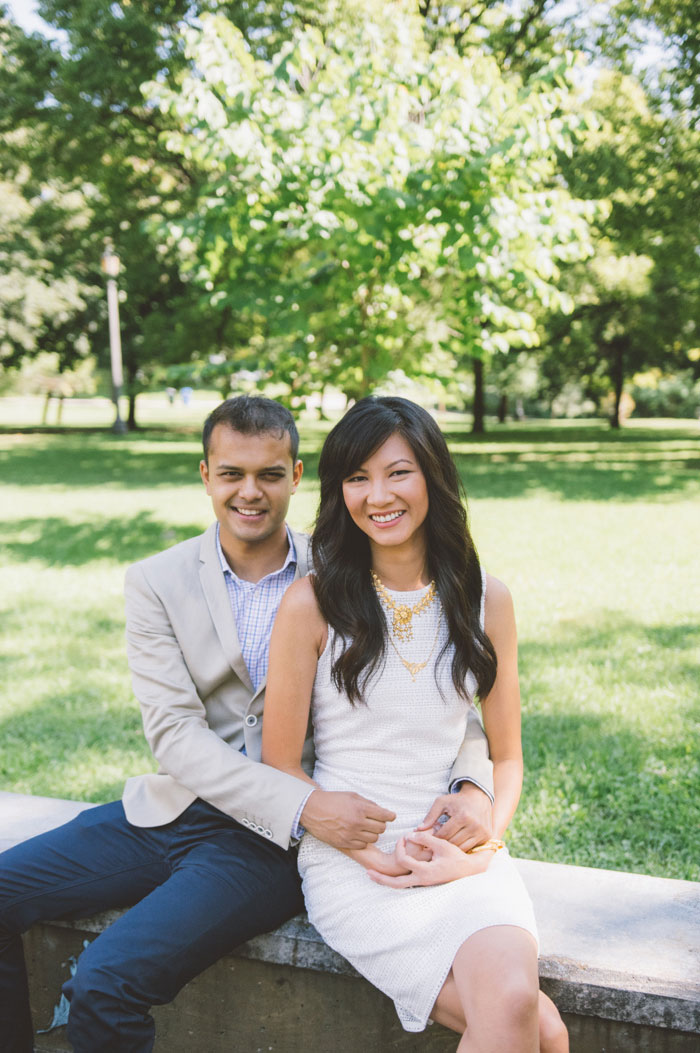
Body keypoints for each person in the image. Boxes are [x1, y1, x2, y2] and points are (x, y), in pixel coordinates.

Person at [0, 395, 495, 1053]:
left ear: (294, 475)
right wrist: (304, 802)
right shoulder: (156, 580)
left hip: (274, 846)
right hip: (177, 810)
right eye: (232, 473)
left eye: (268, 473)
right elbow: (174, 735)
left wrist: (474, 784)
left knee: (106, 978)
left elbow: (441, 700)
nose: (250, 491)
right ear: (206, 474)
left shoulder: (352, 566)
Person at [262, 396, 569, 1052]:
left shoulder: (488, 599)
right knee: (541, 1028)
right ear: (337, 490)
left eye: (398, 472)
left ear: (433, 474)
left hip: (458, 856)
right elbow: (280, 763)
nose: (379, 495)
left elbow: (508, 755)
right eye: (357, 477)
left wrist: (482, 840)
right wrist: (363, 847)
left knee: (521, 1005)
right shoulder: (310, 603)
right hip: (356, 863)